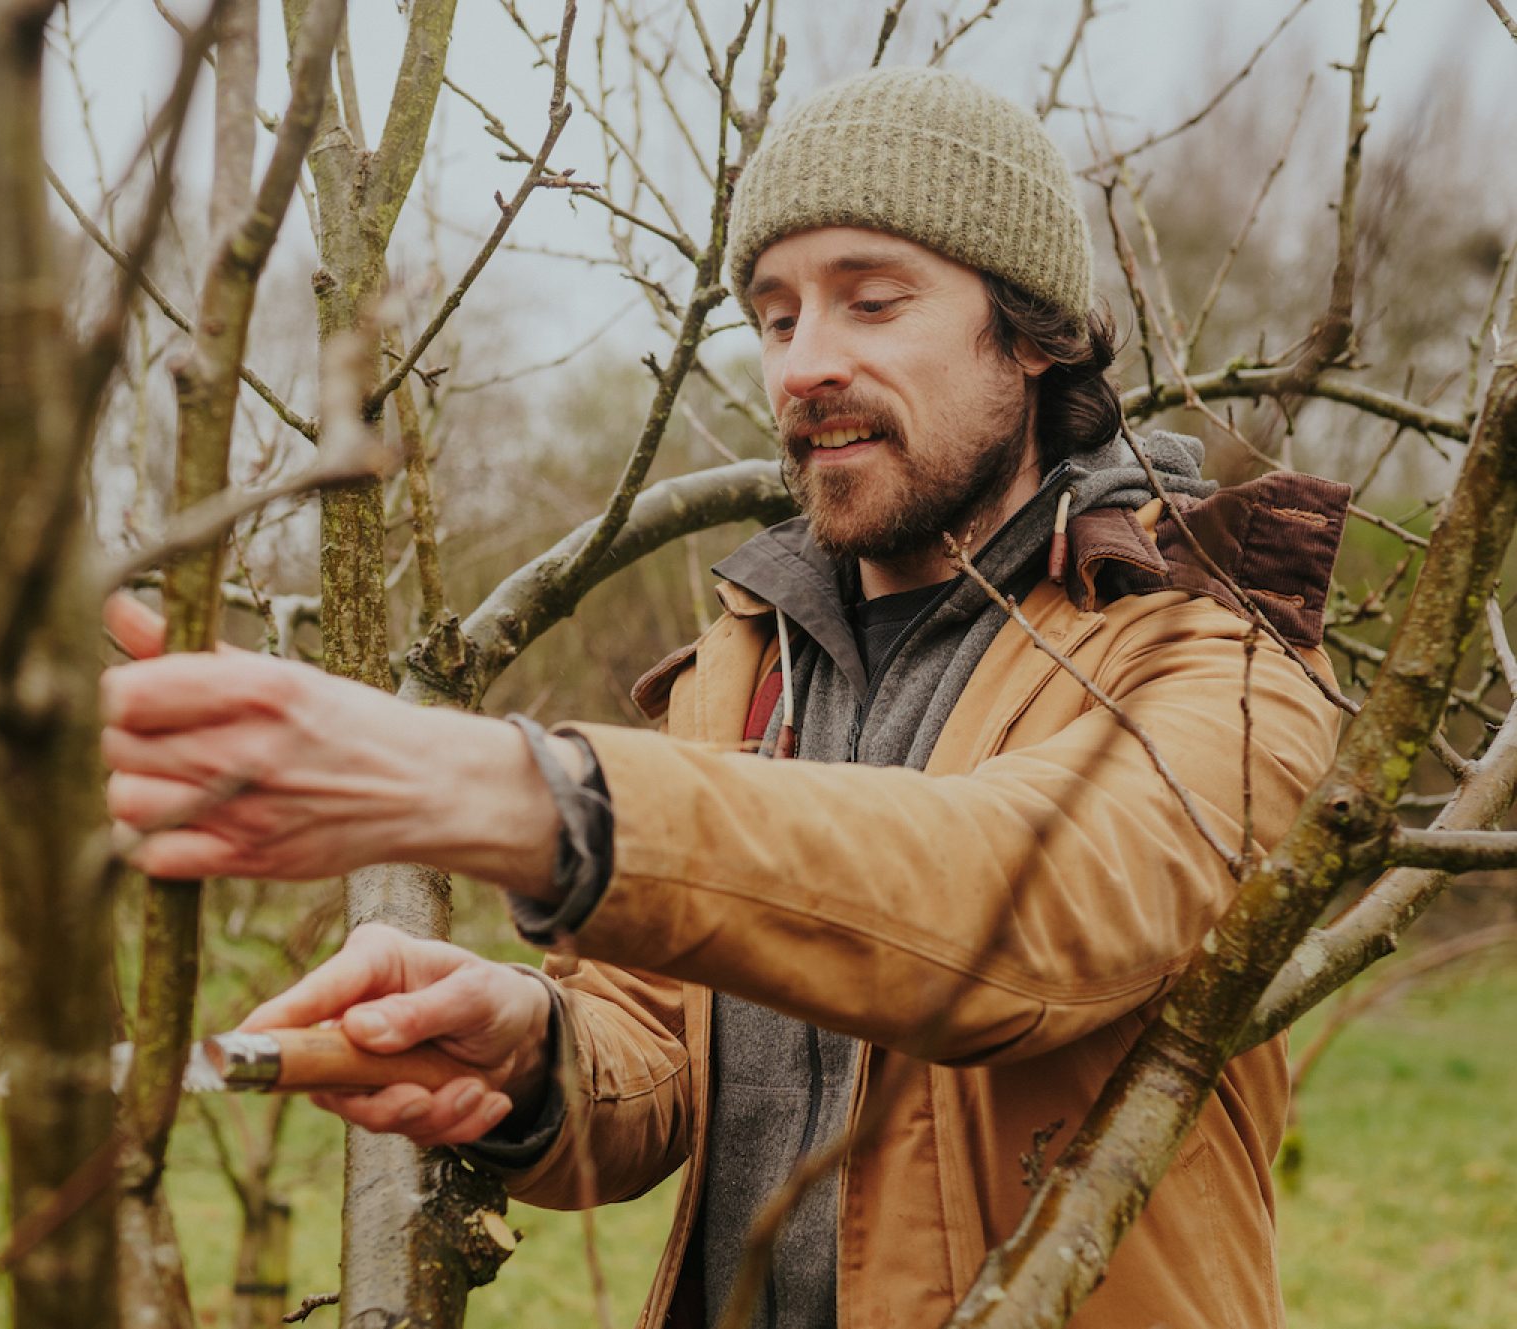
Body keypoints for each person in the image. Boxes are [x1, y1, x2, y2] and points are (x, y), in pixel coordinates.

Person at [102, 68, 1349, 1329]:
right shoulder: (743, 665)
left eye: (872, 302)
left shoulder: (1215, 649)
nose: (806, 365)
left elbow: (1027, 907)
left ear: (1034, 333)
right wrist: (530, 1050)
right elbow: (666, 1052)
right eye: (775, 316)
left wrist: (504, 791)